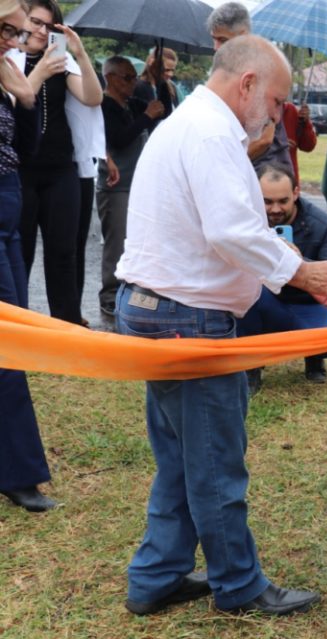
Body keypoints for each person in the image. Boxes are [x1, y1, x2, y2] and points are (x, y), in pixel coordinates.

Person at [114, 35, 327, 616]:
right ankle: (239, 585)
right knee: (217, 459)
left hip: (161, 308)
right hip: (186, 317)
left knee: (182, 458)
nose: (276, 116)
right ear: (247, 84)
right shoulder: (210, 131)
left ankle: (158, 574)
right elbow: (229, 231)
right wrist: (303, 272)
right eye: (275, 102)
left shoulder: (195, 125)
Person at [0, 0, 56, 513]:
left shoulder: (9, 73)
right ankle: (19, 473)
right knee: (7, 350)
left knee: (13, 343)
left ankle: (17, 469)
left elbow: (27, 147)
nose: (15, 40)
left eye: (19, 33)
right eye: (9, 30)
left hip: (9, 208)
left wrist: (26, 92)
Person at [16, 0, 101, 325]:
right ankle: (18, 328)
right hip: (20, 169)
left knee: (64, 252)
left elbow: (93, 98)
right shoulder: (8, 61)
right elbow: (16, 98)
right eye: (35, 23)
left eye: (49, 27)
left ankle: (65, 325)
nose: (41, 31)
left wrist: (79, 54)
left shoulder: (62, 62)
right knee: (18, 253)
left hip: (61, 167)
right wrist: (40, 70)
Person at [239, 163, 327, 392]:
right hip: (260, 300)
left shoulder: (321, 223)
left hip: (304, 303)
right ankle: (251, 365)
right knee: (244, 296)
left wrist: (299, 264)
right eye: (267, 201)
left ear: (296, 194)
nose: (275, 209)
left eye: (283, 201)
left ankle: (315, 356)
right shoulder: (244, 222)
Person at [95, 55, 164, 317]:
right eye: (127, 77)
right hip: (117, 184)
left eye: (134, 77)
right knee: (117, 242)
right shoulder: (104, 106)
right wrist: (147, 116)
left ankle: (131, 290)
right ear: (110, 77)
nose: (133, 82)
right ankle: (110, 294)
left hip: (138, 183)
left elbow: (161, 111)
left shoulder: (131, 104)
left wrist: (158, 82)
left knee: (138, 240)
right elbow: (121, 138)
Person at [206, 0, 293, 175]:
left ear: (243, 35)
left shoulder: (262, 70)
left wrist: (225, 166)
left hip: (268, 175)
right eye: (214, 39)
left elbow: (264, 140)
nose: (216, 48)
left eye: (223, 40)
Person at [132, 46, 177, 124]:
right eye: (166, 69)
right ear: (153, 63)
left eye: (172, 70)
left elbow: (169, 113)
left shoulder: (170, 87)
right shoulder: (139, 87)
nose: (170, 74)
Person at [281, 101, 316, 186]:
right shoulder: (259, 111)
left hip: (290, 181)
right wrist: (278, 144)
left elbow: (308, 146)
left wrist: (305, 122)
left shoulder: (290, 110)